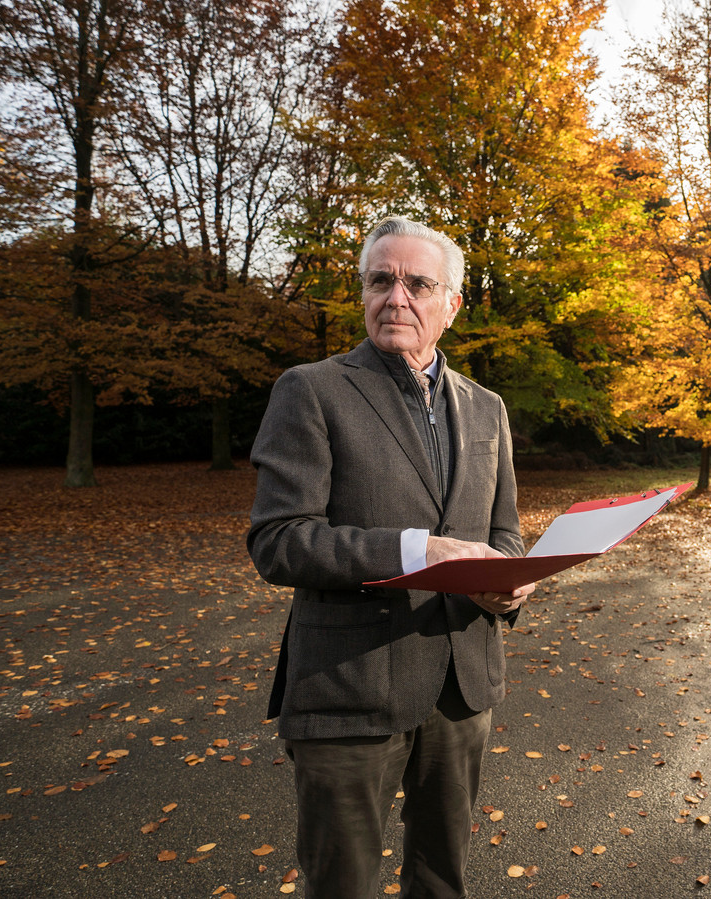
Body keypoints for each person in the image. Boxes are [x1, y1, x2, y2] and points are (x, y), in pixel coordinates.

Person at [247, 215, 534, 899]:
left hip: (462, 689)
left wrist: (511, 585)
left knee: (442, 879)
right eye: (382, 279)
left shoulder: (487, 408)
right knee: (340, 884)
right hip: (349, 691)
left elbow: (506, 536)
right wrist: (416, 550)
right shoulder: (311, 389)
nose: (396, 297)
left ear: (452, 305)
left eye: (418, 283)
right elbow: (279, 539)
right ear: (364, 292)